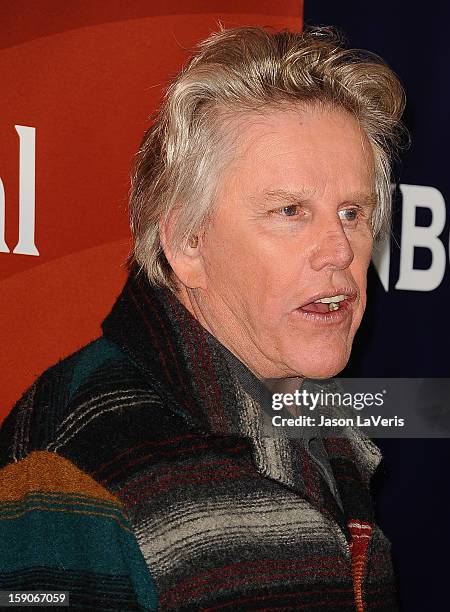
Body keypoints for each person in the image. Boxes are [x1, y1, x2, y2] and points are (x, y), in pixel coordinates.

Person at [0, 26, 405, 611]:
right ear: (187, 243)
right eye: (290, 211)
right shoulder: (73, 464)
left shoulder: (321, 424)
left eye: (352, 211)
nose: (339, 249)